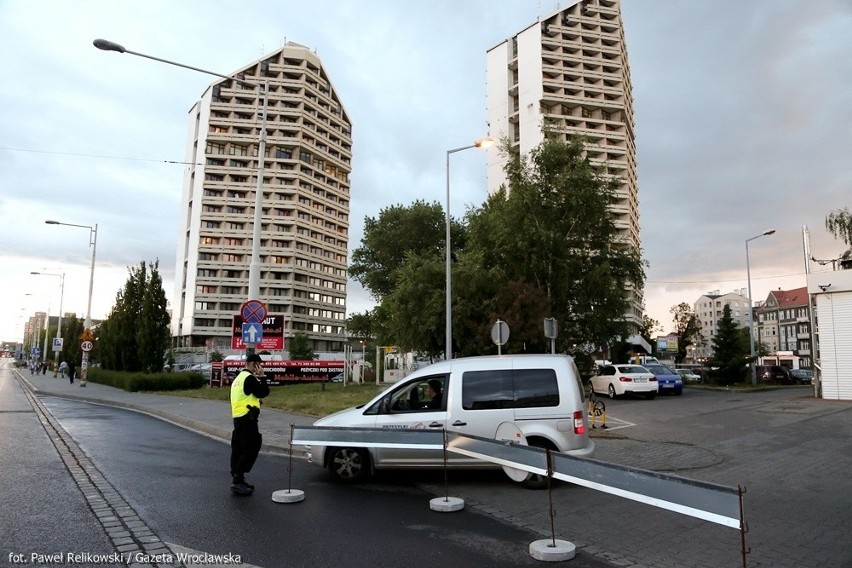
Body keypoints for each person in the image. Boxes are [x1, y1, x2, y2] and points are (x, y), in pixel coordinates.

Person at [229, 353, 269, 496]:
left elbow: (248, 395)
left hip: (239, 418)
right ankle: (238, 481)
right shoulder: (250, 378)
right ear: (253, 364)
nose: (261, 367)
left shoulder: (239, 378)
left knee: (239, 448)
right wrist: (263, 376)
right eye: (259, 364)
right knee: (252, 446)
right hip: (248, 418)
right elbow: (264, 392)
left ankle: (238, 477)